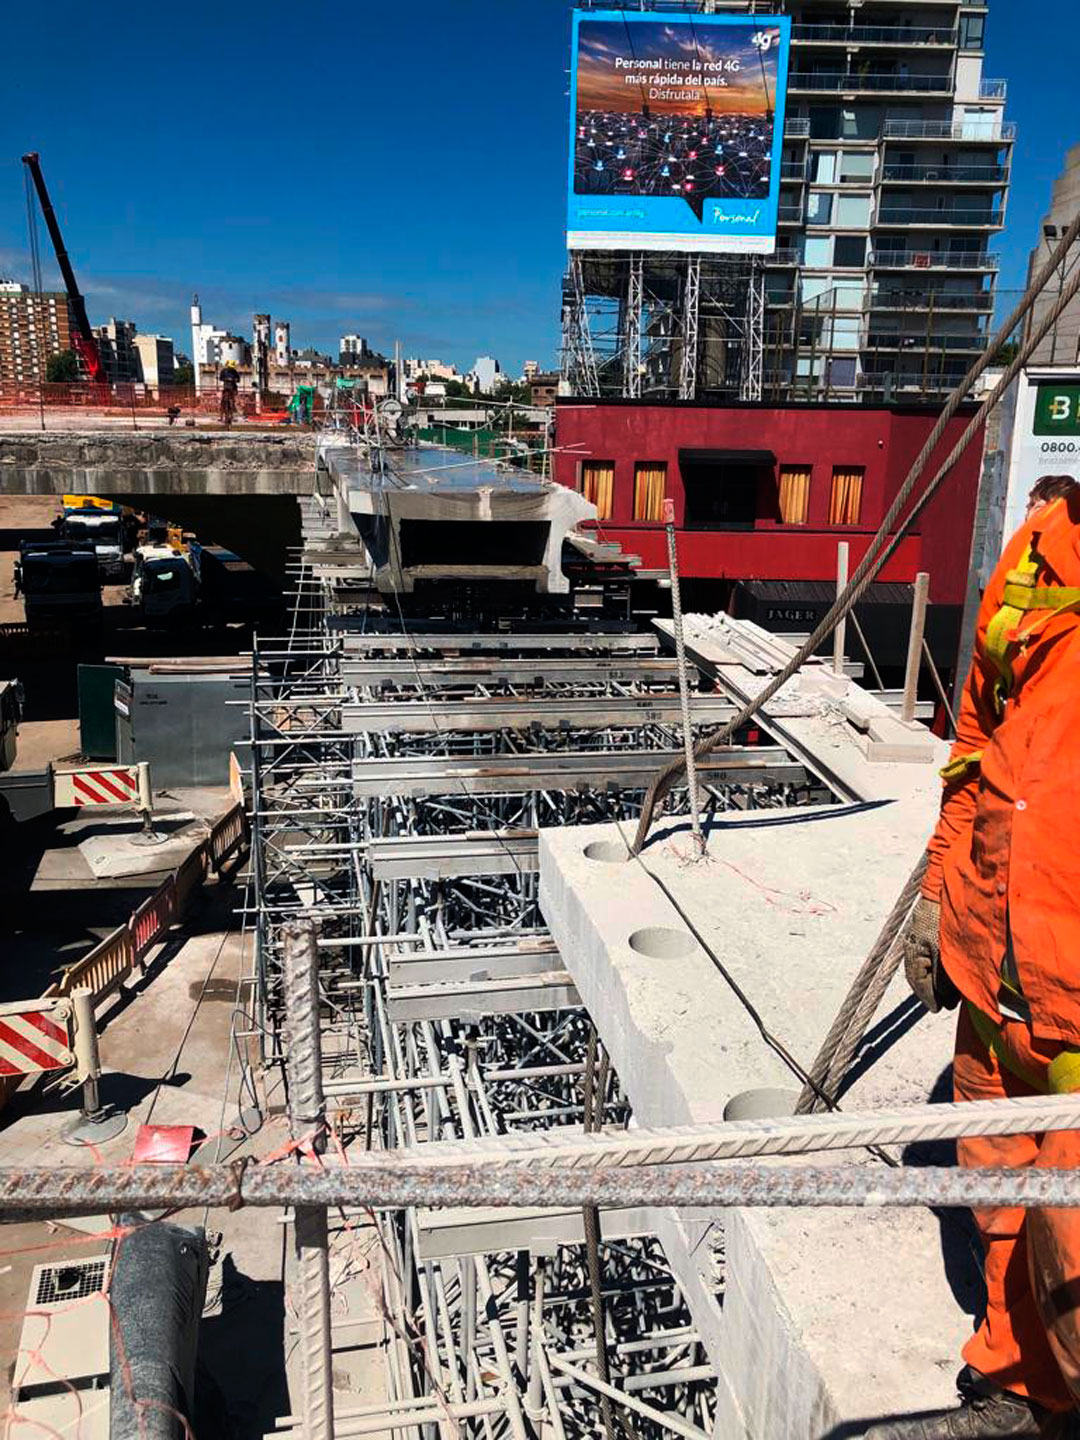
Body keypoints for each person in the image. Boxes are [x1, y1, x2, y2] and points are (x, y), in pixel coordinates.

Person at [870, 485, 1080, 1438]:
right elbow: (976, 740)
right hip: (992, 974)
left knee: (1074, 1255)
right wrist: (936, 889)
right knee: (995, 1192)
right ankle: (1010, 1365)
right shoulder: (1038, 547)